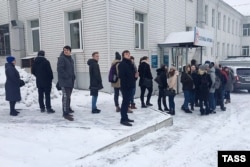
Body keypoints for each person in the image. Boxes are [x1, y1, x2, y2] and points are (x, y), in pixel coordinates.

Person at [57, 46, 75, 121]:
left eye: (67, 50)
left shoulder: (70, 59)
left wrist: (73, 76)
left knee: (68, 96)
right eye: (64, 50)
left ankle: (67, 109)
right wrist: (66, 76)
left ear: (70, 51)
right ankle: (65, 113)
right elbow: (59, 69)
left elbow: (71, 69)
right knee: (65, 97)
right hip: (64, 81)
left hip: (70, 81)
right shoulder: (62, 58)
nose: (66, 51)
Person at [118, 50, 135, 126]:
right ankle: (123, 119)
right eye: (126, 54)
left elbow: (132, 75)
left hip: (131, 85)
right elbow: (121, 76)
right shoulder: (122, 64)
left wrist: (135, 77)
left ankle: (126, 117)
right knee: (125, 103)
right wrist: (127, 83)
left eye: (128, 54)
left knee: (127, 102)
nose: (128, 55)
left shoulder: (130, 63)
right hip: (125, 86)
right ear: (123, 55)